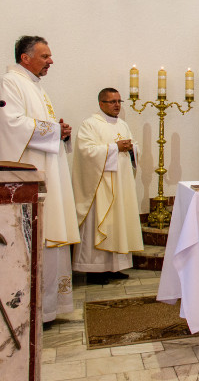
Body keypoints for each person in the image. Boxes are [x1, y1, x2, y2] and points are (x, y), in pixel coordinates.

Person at [0, 35, 80, 322]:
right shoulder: (9, 83)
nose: (51, 61)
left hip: (45, 175)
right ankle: (31, 311)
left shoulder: (34, 87)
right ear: (25, 58)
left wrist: (60, 132)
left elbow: (36, 126)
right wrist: (51, 131)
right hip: (26, 179)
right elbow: (12, 124)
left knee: (48, 238)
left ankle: (47, 309)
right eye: (45, 56)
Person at [71, 88, 144, 285]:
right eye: (112, 101)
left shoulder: (123, 124)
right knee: (99, 223)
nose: (117, 105)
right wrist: (115, 148)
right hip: (100, 186)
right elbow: (86, 152)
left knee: (118, 224)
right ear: (101, 103)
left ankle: (115, 266)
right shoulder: (90, 124)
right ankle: (95, 270)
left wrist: (131, 149)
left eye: (119, 101)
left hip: (121, 185)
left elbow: (134, 148)